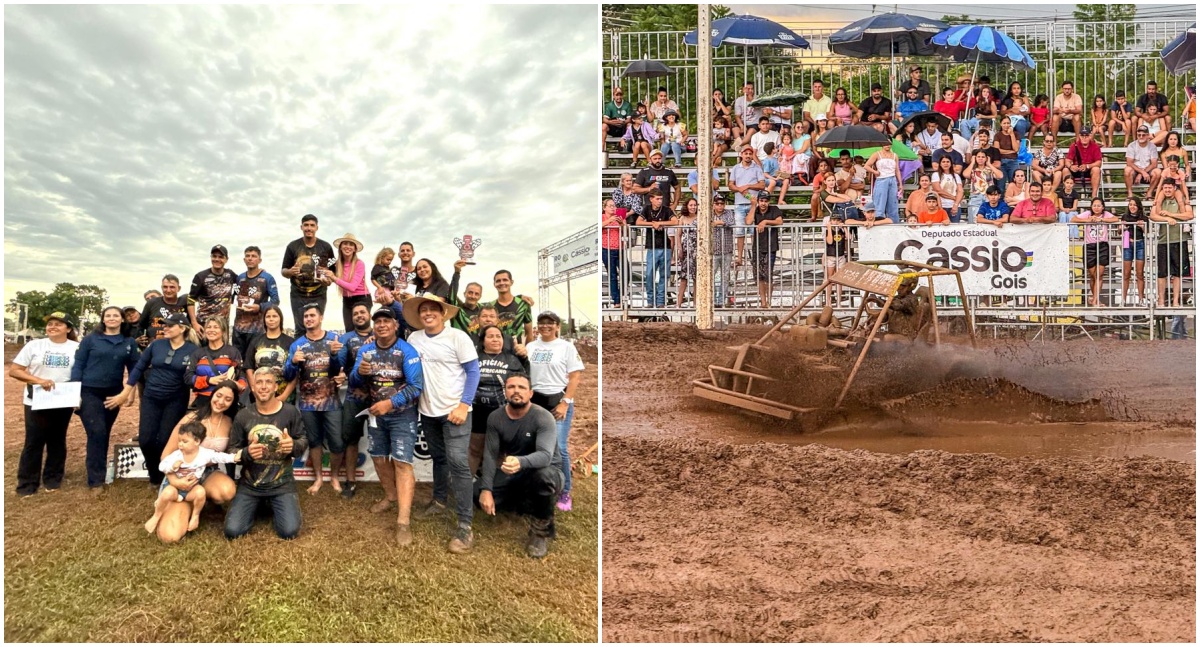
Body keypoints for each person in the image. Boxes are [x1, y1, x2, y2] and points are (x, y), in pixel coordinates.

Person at [403, 294, 480, 554]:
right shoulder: (414, 339)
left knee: (458, 463)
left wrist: (464, 405)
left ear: (443, 313)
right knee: (439, 458)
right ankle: (439, 501)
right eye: (423, 310)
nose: (428, 313)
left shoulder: (458, 337)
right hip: (428, 411)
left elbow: (473, 372)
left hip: (455, 411)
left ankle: (465, 524)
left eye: (433, 309)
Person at [350, 307, 425, 545]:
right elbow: (353, 382)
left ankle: (403, 521)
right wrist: (359, 373)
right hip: (375, 415)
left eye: (386, 321)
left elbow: (416, 387)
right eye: (378, 322)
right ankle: (391, 497)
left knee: (402, 463)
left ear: (395, 325)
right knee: (379, 458)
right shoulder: (365, 351)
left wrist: (390, 403)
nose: (382, 325)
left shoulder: (407, 351)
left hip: (403, 415)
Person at [476, 373, 564, 559]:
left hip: (547, 472)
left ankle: (540, 531)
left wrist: (520, 462)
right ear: (505, 392)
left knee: (542, 478)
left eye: (522, 387)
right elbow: (490, 455)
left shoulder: (543, 417)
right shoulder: (495, 417)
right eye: (511, 387)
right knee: (476, 494)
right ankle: (526, 504)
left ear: (530, 393)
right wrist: (486, 489)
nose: (516, 391)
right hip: (515, 471)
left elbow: (545, 456)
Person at [107, 313, 198, 487]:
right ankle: (154, 475)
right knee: (146, 440)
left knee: (165, 440)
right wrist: (126, 391)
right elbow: (139, 367)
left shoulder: (193, 350)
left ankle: (164, 476)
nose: (165, 328)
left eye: (170, 325)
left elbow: (195, 375)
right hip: (151, 397)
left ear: (182, 328)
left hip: (175, 399)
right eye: (164, 325)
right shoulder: (156, 344)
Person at [224, 371, 309, 540]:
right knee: (233, 531)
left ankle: (272, 503)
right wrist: (247, 453)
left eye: (268, 382)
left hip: (281, 484)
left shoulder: (290, 412)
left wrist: (293, 446)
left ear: (276, 387)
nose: (263, 386)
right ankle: (259, 504)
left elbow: (303, 440)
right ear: (253, 387)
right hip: (250, 485)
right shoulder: (243, 415)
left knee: (289, 532)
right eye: (259, 382)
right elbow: (232, 450)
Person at [153, 381, 241, 542]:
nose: (221, 402)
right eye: (219, 395)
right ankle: (185, 504)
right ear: (212, 395)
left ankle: (201, 500)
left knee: (227, 491)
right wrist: (175, 481)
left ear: (232, 402)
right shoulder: (192, 419)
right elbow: (165, 455)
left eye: (228, 399)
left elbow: (230, 454)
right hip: (182, 475)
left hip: (207, 473)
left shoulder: (230, 422)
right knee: (169, 536)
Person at [11, 312, 80, 497]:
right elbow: (15, 370)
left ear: (68, 328)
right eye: (50, 324)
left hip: (63, 400)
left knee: (57, 440)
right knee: (34, 441)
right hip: (36, 400)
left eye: (58, 324)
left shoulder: (77, 348)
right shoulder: (34, 345)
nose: (52, 327)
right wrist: (38, 380)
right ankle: (27, 483)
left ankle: (53, 478)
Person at [71, 306, 140, 493]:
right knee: (97, 431)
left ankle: (99, 471)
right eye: (107, 315)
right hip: (89, 391)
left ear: (122, 319)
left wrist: (129, 392)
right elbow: (79, 365)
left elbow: (135, 369)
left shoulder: (128, 342)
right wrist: (74, 392)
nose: (111, 318)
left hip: (113, 394)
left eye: (115, 315)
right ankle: (96, 481)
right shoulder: (90, 339)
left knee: (104, 432)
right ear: (103, 319)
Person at [525, 310, 583, 513]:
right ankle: (537, 485)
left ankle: (565, 491)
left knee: (559, 446)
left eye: (550, 323)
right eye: (542, 322)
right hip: (535, 401)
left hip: (557, 401)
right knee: (534, 444)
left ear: (557, 326)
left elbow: (575, 377)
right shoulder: (531, 346)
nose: (545, 326)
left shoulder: (566, 347)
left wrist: (565, 403)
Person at [283, 304, 344, 495]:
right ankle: (318, 478)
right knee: (314, 442)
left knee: (337, 442)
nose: (308, 319)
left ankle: (334, 476)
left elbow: (340, 370)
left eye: (312, 315)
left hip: (331, 402)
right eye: (306, 316)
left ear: (321, 317)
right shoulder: (297, 344)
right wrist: (293, 362)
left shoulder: (334, 339)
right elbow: (288, 375)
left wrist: (334, 355)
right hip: (308, 404)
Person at [144, 420, 241, 535]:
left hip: (191, 489)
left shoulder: (204, 454)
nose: (180, 444)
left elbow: (219, 456)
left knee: (200, 492)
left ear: (197, 441)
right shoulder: (177, 455)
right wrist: (172, 467)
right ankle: (156, 516)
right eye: (179, 440)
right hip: (175, 488)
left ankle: (195, 516)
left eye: (185, 441)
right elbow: (162, 466)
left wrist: (234, 458)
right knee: (168, 492)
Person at [471, 324, 528, 476]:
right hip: (478, 411)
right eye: (490, 336)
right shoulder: (473, 358)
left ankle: (497, 485)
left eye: (498, 336)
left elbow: (523, 382)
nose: (495, 339)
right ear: (483, 340)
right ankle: (467, 486)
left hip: (503, 412)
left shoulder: (513, 359)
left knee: (499, 451)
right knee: (474, 449)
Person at [335, 303, 374, 499]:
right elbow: (338, 366)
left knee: (385, 438)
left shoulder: (381, 333)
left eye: (362, 312)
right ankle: (350, 481)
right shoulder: (346, 338)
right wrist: (334, 358)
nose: (359, 315)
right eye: (355, 313)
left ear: (369, 314)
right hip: (354, 395)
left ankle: (390, 481)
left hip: (379, 397)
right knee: (350, 439)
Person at [281, 213, 337, 331]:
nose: (309, 228)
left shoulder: (326, 247)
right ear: (301, 227)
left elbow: (333, 272)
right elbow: (283, 270)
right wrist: (290, 271)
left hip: (319, 294)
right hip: (298, 295)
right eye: (306, 225)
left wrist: (328, 281)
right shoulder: (292, 246)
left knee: (315, 327)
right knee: (300, 328)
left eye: (312, 225)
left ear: (317, 228)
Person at [1149, 179, 1194, 307]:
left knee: (1178, 273)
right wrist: (1166, 219)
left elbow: (1189, 215)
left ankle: (1175, 301)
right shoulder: (1159, 201)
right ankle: (1161, 301)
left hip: (1179, 240)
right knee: (1161, 273)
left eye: (1169, 188)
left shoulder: (1182, 200)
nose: (1167, 190)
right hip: (1163, 241)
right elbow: (1153, 216)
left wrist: (1171, 214)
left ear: (1174, 188)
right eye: (1165, 188)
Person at [187, 317, 247, 411]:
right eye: (209, 327)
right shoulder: (198, 353)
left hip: (225, 400)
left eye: (216, 327)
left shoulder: (232, 352)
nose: (211, 330)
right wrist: (209, 380)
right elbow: (188, 378)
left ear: (223, 331)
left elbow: (241, 374)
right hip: (203, 401)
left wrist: (239, 385)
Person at [231, 246, 280, 360]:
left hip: (257, 330)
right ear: (244, 260)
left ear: (259, 260)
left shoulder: (267, 278)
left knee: (255, 362)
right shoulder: (240, 278)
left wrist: (259, 307)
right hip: (238, 329)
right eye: (247, 256)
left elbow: (275, 301)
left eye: (253, 256)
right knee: (237, 362)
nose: (250, 258)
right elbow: (234, 297)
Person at [1071, 198, 1121, 306]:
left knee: (1100, 274)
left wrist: (1102, 220)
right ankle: (1094, 298)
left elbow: (1116, 219)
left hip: (1102, 245)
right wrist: (1087, 220)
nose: (1096, 208)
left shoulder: (1105, 214)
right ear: (1091, 206)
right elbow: (1073, 219)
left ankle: (1095, 300)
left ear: (1103, 207)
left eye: (1099, 206)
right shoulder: (1087, 214)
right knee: (1093, 275)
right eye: (1094, 205)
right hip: (1089, 246)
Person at [244, 304, 295, 403]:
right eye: (268, 316)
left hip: (284, 397)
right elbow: (249, 368)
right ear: (264, 320)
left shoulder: (290, 342)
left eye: (274, 316)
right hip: (260, 396)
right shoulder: (255, 341)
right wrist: (255, 391)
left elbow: (295, 373)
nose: (271, 319)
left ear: (280, 319)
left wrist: (284, 396)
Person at [637, 188, 678, 308]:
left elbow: (675, 221)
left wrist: (661, 223)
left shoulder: (666, 209)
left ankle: (660, 301)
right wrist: (652, 223)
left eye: (661, 199)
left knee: (664, 275)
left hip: (665, 246)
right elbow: (638, 222)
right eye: (657, 199)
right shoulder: (647, 209)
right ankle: (650, 300)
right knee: (650, 274)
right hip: (652, 246)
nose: (660, 201)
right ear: (651, 199)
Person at [323, 233, 371, 333]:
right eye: (345, 244)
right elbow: (330, 280)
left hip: (362, 298)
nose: (348, 247)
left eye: (351, 244)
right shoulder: (336, 265)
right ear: (340, 247)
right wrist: (325, 280)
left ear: (354, 249)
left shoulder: (359, 264)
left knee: (362, 329)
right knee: (349, 330)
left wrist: (333, 278)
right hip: (347, 300)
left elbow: (352, 287)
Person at [187, 244, 238, 335]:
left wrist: (259, 272)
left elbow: (243, 283)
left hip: (223, 326)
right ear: (211, 257)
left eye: (221, 257)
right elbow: (190, 300)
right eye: (214, 256)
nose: (217, 259)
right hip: (204, 325)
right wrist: (194, 323)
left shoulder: (230, 274)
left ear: (226, 259)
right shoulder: (200, 276)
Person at [727, 146, 766, 263]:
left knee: (753, 231)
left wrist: (748, 186)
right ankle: (739, 257)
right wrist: (740, 189)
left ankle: (754, 256)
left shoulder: (757, 168)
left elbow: (762, 185)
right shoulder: (736, 168)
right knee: (740, 231)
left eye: (750, 153)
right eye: (746, 153)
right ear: (742, 154)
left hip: (753, 203)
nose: (748, 155)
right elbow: (730, 185)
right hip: (739, 203)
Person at [748, 192, 783, 307]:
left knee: (768, 275)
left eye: (766, 201)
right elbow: (748, 222)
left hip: (770, 246)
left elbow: (779, 221)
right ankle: (763, 301)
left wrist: (766, 221)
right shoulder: (755, 210)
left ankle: (769, 301)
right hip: (757, 246)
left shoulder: (774, 209)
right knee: (759, 276)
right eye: (761, 201)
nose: (763, 203)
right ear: (758, 201)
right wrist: (753, 206)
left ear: (769, 202)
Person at [138, 274, 189, 347]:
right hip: (155, 346)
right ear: (161, 288)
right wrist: (141, 340)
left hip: (179, 346)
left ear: (179, 288)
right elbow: (141, 325)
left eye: (172, 287)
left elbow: (190, 324)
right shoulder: (152, 303)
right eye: (165, 287)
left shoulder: (185, 303)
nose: (168, 290)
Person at [489, 269, 534, 343]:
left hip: (516, 349)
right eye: (498, 281)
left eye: (505, 280)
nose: (502, 283)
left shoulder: (523, 304)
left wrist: (526, 349)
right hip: (495, 349)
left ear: (511, 282)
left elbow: (529, 333)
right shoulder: (490, 307)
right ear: (494, 284)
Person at [1118, 197, 1149, 306]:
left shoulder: (1144, 218)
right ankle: (1123, 300)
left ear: (1138, 206)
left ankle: (1141, 299)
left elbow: (1148, 232)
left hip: (1140, 243)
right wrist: (1121, 227)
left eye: (1134, 205)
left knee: (1140, 273)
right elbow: (1119, 231)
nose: (1132, 206)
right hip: (1127, 242)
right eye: (1130, 204)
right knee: (1126, 273)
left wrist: (1143, 227)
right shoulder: (1125, 216)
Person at [711, 193, 738, 306]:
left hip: (726, 250)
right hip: (713, 251)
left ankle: (721, 300)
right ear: (713, 204)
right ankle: (712, 300)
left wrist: (719, 222)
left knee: (725, 276)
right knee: (711, 276)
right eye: (717, 203)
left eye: (722, 203)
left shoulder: (729, 212)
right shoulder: (709, 213)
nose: (720, 205)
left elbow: (732, 222)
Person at [865, 140, 902, 223]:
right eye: (885, 143)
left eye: (889, 143)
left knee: (893, 204)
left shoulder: (895, 155)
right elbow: (866, 166)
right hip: (881, 179)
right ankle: (878, 223)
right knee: (879, 204)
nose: (887, 145)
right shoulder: (877, 154)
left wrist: (900, 184)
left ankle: (894, 223)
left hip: (892, 179)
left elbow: (897, 170)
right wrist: (875, 172)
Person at [447, 260, 485, 335]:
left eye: (476, 294)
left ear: (480, 296)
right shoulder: (456, 311)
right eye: (470, 293)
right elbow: (451, 296)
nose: (473, 296)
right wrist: (457, 273)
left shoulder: (484, 311)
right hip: (459, 342)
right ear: (464, 294)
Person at [964, 149, 1002, 222]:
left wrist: (989, 164)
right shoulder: (973, 170)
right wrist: (972, 162)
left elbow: (1000, 176)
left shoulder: (990, 169)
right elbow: (965, 174)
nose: (980, 159)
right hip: (976, 196)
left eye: (983, 157)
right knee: (974, 220)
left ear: (986, 158)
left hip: (988, 197)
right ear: (975, 158)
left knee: (988, 218)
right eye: (978, 157)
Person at [1124, 125, 1161, 198]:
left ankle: (1149, 193)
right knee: (1127, 169)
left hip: (1148, 172)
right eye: (1139, 135)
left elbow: (1154, 164)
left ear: (1147, 135)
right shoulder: (1132, 145)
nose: (1141, 137)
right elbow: (1129, 163)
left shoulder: (1152, 146)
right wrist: (1142, 172)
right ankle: (1130, 193)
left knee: (1158, 171)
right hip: (1135, 171)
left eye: (1143, 135)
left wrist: (1141, 173)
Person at [675, 197, 699, 306]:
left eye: (695, 205)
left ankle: (696, 304)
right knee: (684, 277)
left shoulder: (700, 217)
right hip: (686, 250)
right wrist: (679, 248)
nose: (693, 207)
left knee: (696, 278)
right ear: (687, 206)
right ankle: (678, 304)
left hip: (697, 250)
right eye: (691, 205)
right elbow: (678, 234)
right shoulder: (683, 218)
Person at [602, 199, 625, 308]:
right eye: (610, 206)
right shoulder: (602, 217)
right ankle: (616, 300)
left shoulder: (619, 217)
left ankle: (622, 295)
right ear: (604, 208)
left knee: (626, 272)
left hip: (620, 248)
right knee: (612, 275)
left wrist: (622, 224)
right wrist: (609, 220)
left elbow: (627, 231)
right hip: (607, 248)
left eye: (614, 206)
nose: (613, 208)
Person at [1066, 127, 1103, 193]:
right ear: (1079, 136)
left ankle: (1094, 195)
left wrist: (1088, 166)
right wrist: (1071, 166)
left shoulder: (1095, 146)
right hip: (1076, 169)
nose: (1084, 137)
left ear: (1090, 136)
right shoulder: (1074, 146)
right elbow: (1067, 160)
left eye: (1086, 135)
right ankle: (1067, 194)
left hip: (1089, 170)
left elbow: (1099, 162)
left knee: (1096, 169)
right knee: (1065, 170)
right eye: (1082, 135)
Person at [930, 157, 964, 222]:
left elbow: (960, 191)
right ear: (940, 164)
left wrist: (956, 204)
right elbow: (938, 190)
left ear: (951, 164)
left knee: (955, 227)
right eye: (943, 162)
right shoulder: (936, 175)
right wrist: (954, 198)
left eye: (948, 162)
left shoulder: (956, 176)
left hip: (954, 206)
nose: (946, 163)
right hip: (941, 206)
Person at [994, 116, 1021, 195]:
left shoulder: (1016, 134)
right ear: (1001, 124)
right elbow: (997, 150)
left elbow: (1016, 149)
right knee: (1000, 186)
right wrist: (1011, 151)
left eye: (1008, 123)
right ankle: (1001, 201)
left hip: (1013, 161)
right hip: (1001, 162)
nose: (1006, 125)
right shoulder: (998, 135)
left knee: (1014, 184)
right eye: (1004, 123)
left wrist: (1011, 134)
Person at [733, 82, 764, 147]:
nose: (750, 90)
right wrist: (741, 126)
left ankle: (739, 145)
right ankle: (740, 144)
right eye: (748, 89)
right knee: (735, 129)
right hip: (743, 123)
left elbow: (757, 106)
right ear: (743, 89)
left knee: (751, 131)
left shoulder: (758, 98)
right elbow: (737, 116)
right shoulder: (739, 100)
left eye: (751, 89)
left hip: (754, 123)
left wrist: (750, 97)